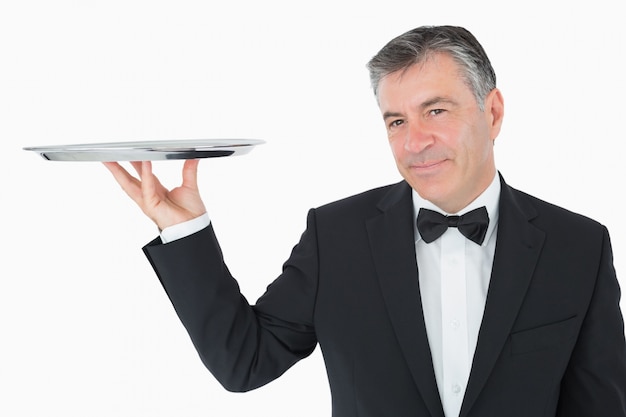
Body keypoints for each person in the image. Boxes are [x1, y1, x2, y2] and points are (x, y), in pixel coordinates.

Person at [104, 25, 626, 417]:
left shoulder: (578, 246)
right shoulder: (337, 237)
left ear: (492, 113)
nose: (413, 141)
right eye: (396, 120)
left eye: (436, 111)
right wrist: (185, 229)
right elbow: (244, 363)